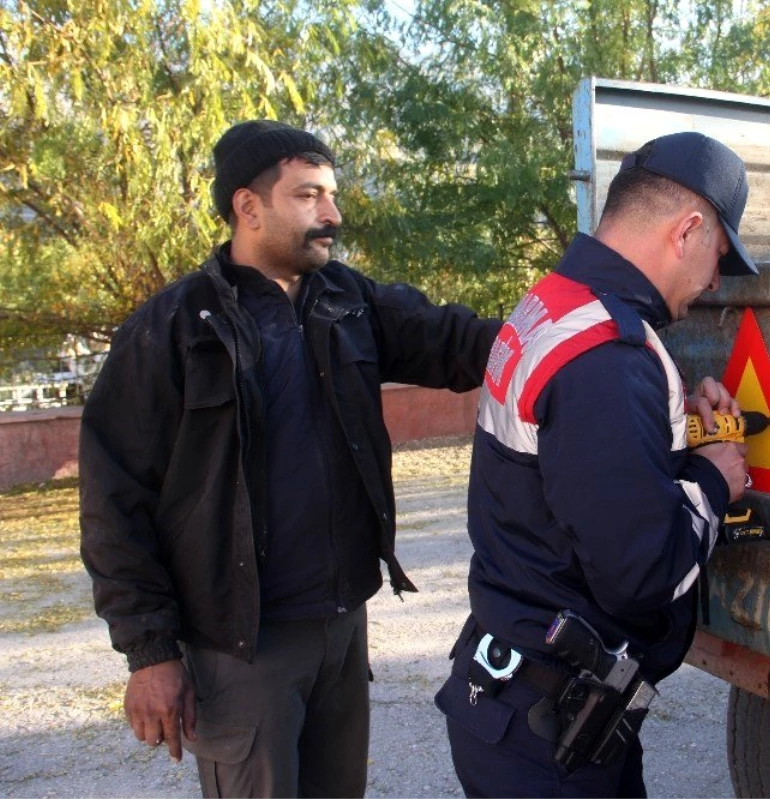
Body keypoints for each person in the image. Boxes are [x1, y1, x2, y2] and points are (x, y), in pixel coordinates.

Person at [79, 120, 501, 797]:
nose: (332, 214)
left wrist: (570, 333)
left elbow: (461, 342)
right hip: (243, 650)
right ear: (249, 207)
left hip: (341, 627)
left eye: (331, 195)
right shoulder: (174, 329)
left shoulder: (347, 300)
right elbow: (113, 498)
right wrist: (149, 652)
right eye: (309, 195)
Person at [437, 131, 758, 797]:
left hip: (518, 701)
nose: (709, 283)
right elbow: (642, 572)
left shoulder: (556, 306)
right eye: (717, 259)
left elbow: (573, 470)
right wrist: (712, 477)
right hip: (548, 734)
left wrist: (673, 430)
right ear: (687, 231)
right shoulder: (609, 358)